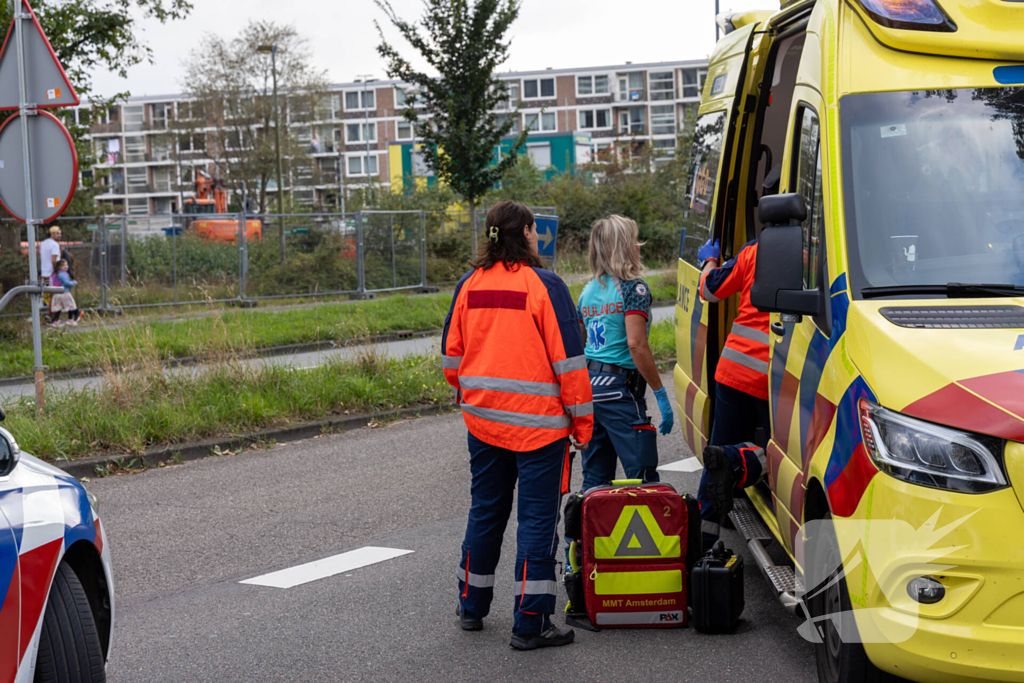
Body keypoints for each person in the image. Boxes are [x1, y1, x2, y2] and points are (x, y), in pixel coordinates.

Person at [442, 200, 593, 650]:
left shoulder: (468, 284)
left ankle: (471, 605)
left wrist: (474, 394)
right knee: (536, 520)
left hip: (484, 423)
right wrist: (582, 427)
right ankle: (531, 624)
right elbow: (570, 364)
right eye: (534, 230)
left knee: (486, 509)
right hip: (539, 430)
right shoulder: (545, 285)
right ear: (527, 232)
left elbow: (452, 358)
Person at [576, 215, 673, 490]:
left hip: (591, 389)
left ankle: (585, 534)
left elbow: (581, 345)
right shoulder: (634, 288)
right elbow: (636, 344)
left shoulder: (588, 290)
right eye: (634, 240)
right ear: (624, 247)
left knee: (595, 479)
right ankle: (645, 534)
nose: (638, 245)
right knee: (641, 478)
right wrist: (660, 393)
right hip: (620, 392)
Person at [695, 236, 770, 549]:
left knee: (718, 457)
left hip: (734, 369)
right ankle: (738, 460)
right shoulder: (813, 255)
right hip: (774, 378)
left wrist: (709, 261)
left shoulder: (752, 251)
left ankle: (702, 541)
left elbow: (709, 290)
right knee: (778, 455)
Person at [49, 259, 83, 327]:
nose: (66, 266)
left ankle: (55, 321)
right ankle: (70, 319)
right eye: (63, 265)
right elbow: (66, 283)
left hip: (57, 293)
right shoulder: (63, 274)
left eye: (66, 265)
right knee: (71, 306)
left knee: (58, 308)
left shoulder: (55, 274)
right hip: (65, 293)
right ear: (59, 267)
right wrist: (74, 282)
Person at [39, 225, 61, 321]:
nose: (59, 235)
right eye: (57, 233)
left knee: (46, 296)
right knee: (54, 296)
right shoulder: (55, 245)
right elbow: (53, 260)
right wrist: (57, 271)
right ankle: (51, 317)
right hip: (51, 274)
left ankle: (48, 314)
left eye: (60, 233)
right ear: (52, 234)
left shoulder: (43, 243)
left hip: (44, 273)